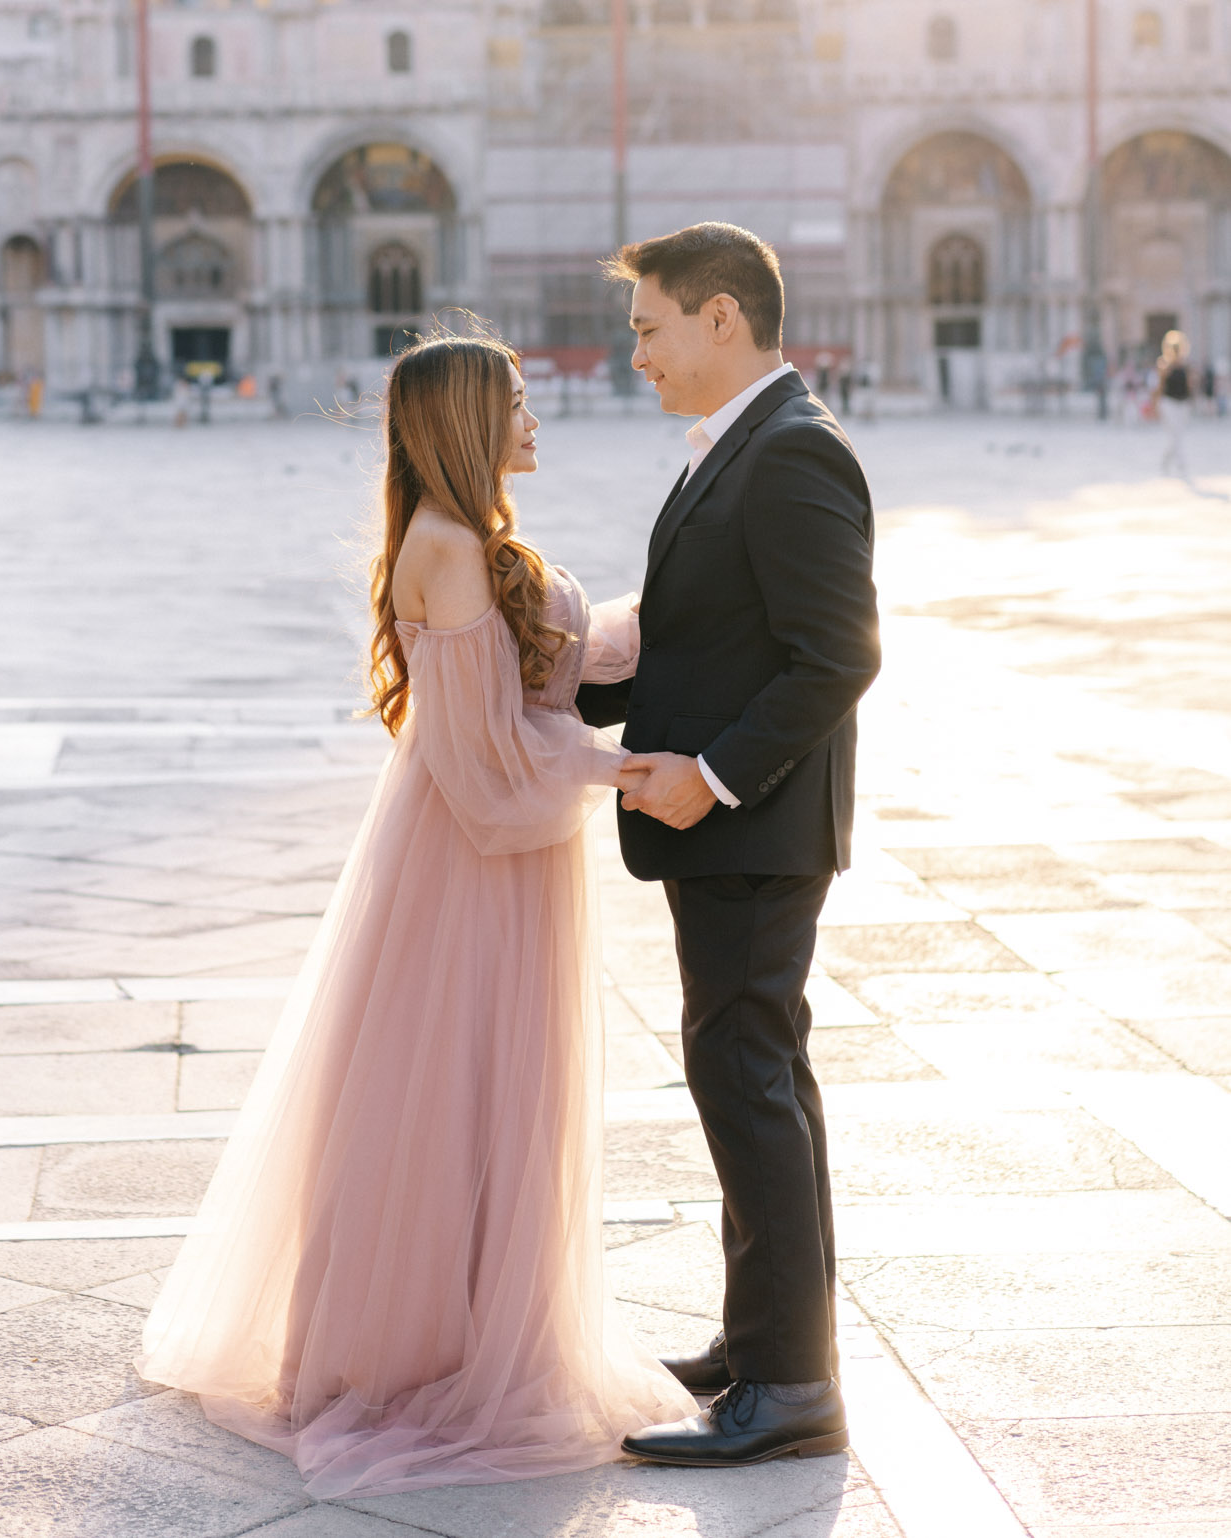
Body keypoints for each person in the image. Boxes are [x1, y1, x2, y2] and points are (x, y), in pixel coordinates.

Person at [138, 333, 693, 1496]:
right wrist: (622, 771)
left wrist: (689, 574)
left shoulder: (473, 541)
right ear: (466, 422)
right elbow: (482, 762)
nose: (536, 418)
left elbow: (559, 664)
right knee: (453, 1088)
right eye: (518, 403)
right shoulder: (444, 548)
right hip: (469, 864)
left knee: (489, 1087)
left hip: (507, 862)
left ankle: (476, 1321)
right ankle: (425, 1346)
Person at [575, 221, 881, 1469]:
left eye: (648, 326)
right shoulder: (733, 451)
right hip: (734, 836)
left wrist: (711, 776)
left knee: (747, 1083)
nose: (634, 351)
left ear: (720, 318)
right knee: (751, 1079)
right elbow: (699, 637)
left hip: (755, 832)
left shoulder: (793, 452)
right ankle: (765, 1343)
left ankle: (793, 1387)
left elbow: (839, 653)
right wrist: (570, 686)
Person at [1155, 329, 1193, 476]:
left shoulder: (1186, 365)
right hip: (1168, 402)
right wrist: (1155, 405)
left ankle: (1166, 460)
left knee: (1178, 435)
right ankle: (1181, 464)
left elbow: (1189, 385)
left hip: (1183, 402)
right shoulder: (1164, 364)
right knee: (1174, 435)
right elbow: (1160, 386)